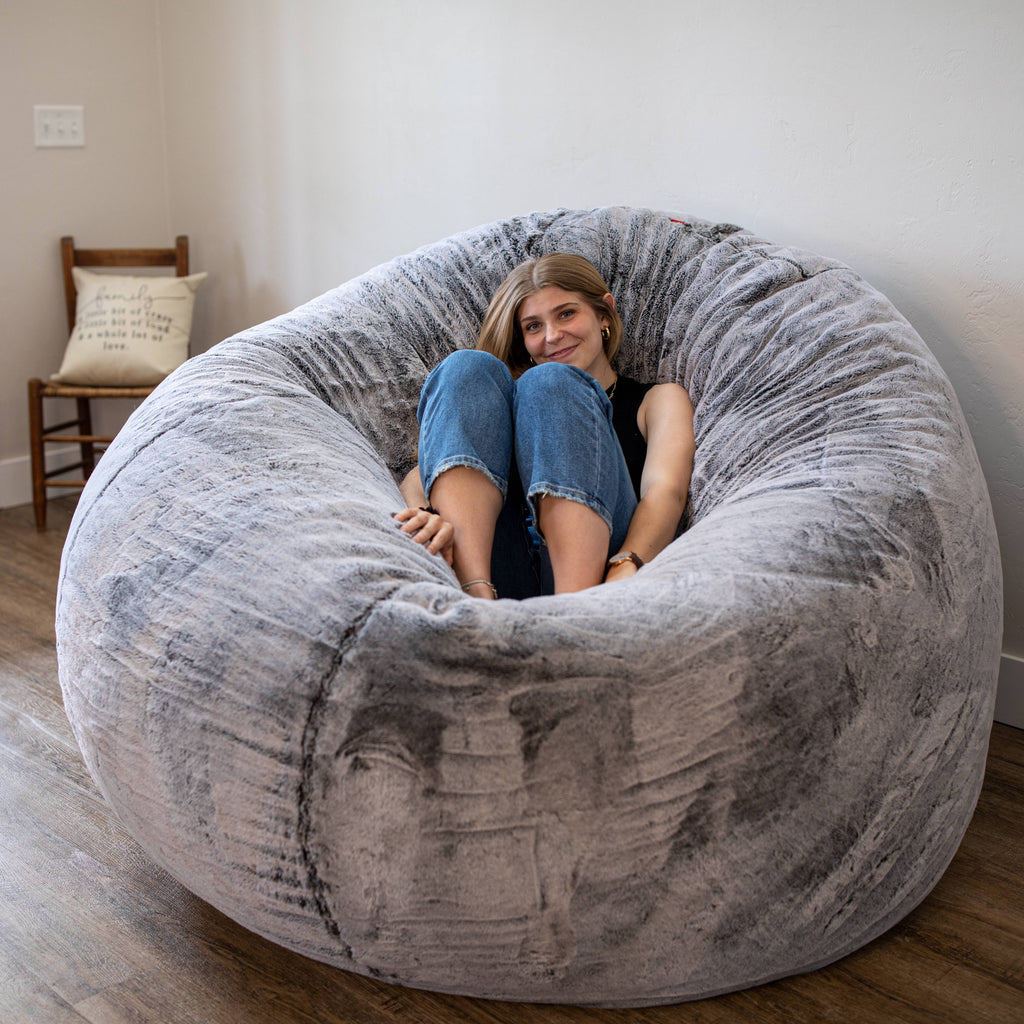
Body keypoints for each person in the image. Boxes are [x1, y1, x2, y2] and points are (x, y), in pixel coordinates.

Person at [394, 253, 695, 599]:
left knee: (552, 383)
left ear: (604, 314)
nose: (552, 336)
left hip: (600, 572)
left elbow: (666, 493)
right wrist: (424, 515)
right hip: (496, 570)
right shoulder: (498, 400)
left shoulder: (657, 400)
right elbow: (423, 473)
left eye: (567, 313)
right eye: (533, 326)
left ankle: (574, 615)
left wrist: (627, 563)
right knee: (465, 367)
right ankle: (474, 597)